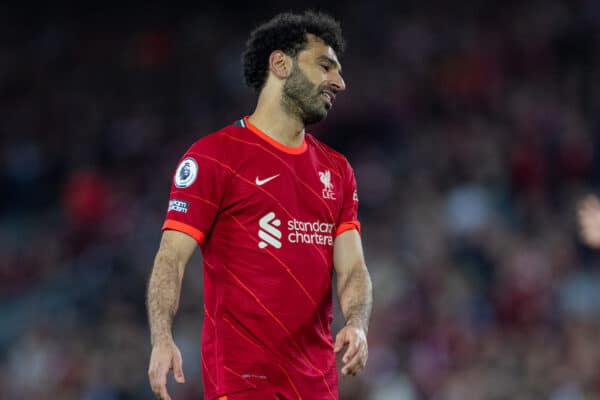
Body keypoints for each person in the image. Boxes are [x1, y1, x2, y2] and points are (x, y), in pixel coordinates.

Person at [147, 11, 373, 400]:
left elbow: (352, 268)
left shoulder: (338, 171)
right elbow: (171, 258)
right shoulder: (214, 157)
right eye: (325, 66)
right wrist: (162, 338)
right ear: (280, 63)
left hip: (316, 384)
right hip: (242, 380)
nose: (339, 81)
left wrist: (357, 323)